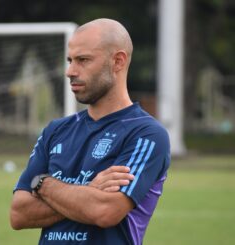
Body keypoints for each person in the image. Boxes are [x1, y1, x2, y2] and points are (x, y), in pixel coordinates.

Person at [10, 18, 171, 245]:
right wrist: (87, 191)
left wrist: (42, 183)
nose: (70, 71)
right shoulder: (55, 131)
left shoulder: (146, 134)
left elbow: (104, 211)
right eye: (70, 60)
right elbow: (19, 214)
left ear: (117, 61)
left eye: (83, 60)